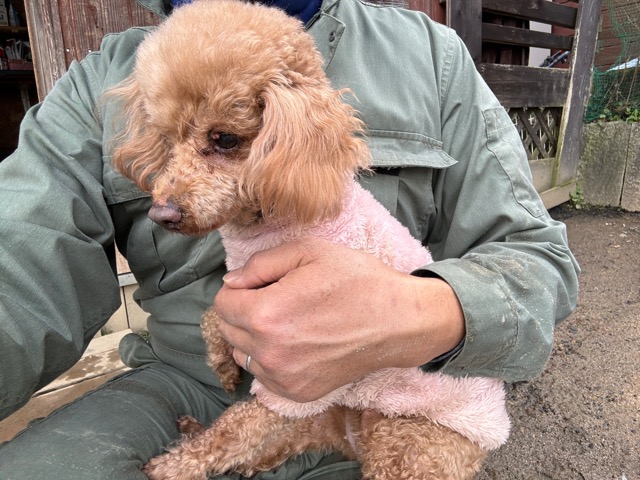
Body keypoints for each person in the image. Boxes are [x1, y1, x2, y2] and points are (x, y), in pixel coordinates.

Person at [0, 0, 580, 478]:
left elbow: (540, 263)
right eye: (172, 141)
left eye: (224, 141)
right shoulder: (105, 77)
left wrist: (417, 315)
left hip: (392, 393)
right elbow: (19, 266)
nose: (166, 198)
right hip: (184, 383)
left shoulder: (431, 56)